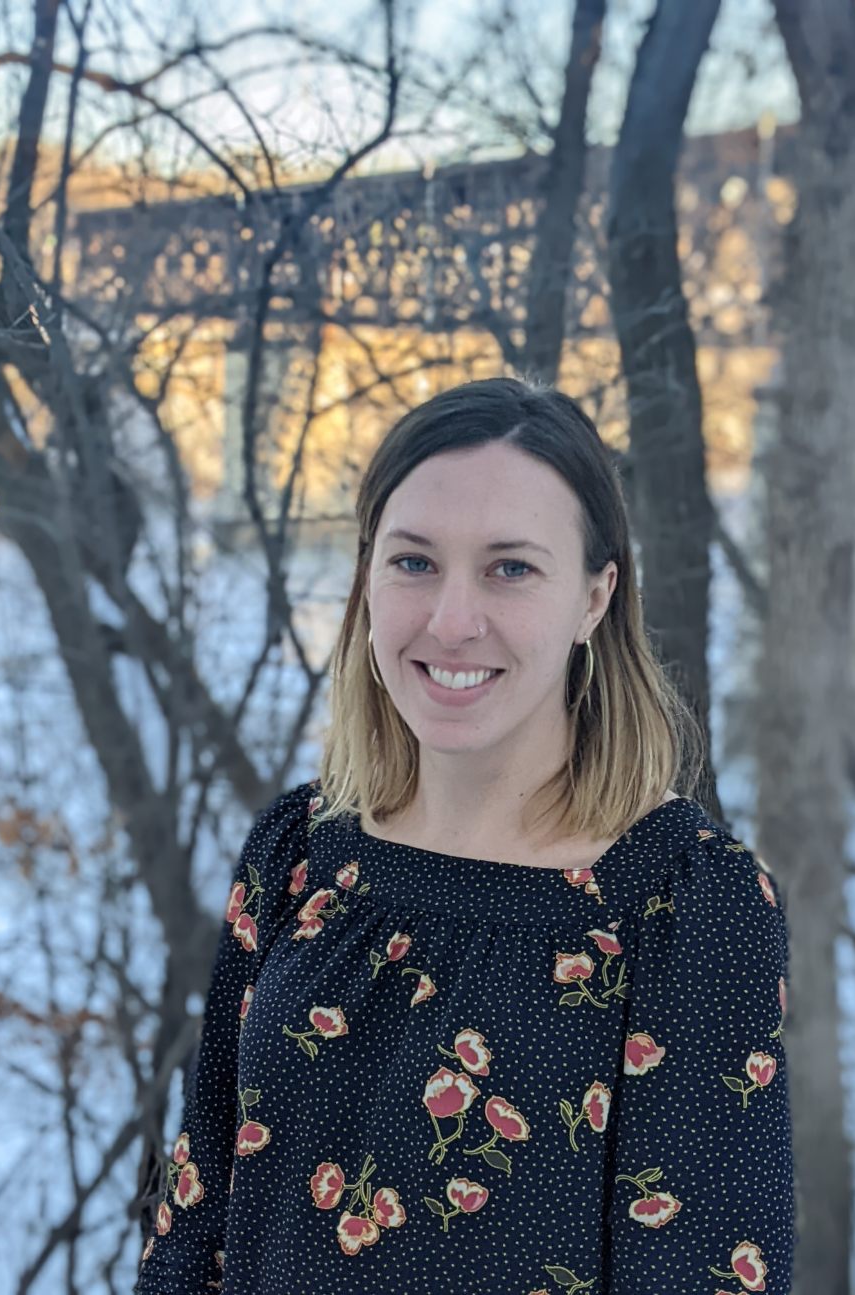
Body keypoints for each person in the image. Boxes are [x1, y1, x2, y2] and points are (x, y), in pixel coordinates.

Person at [134, 376, 795, 1294]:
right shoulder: (298, 854)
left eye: (509, 567)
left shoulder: (683, 902)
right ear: (367, 576)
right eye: (412, 561)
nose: (450, 620)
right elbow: (193, 1218)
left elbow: (704, 1272)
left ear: (595, 597)